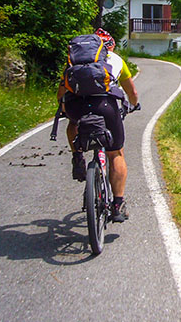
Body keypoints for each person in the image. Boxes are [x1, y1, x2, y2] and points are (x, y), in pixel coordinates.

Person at [57, 28, 139, 222]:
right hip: (105, 106)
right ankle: (117, 205)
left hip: (76, 106)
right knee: (116, 153)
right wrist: (134, 105)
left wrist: (64, 109)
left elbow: (61, 93)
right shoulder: (116, 60)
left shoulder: (74, 61)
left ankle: (77, 156)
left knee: (73, 123)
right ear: (110, 46)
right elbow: (132, 92)